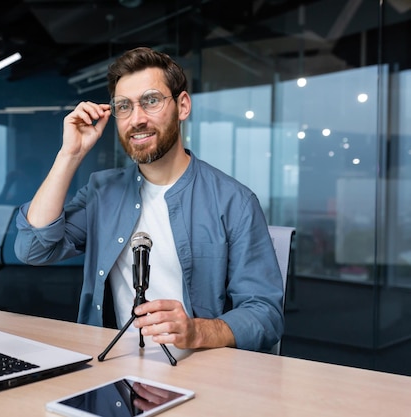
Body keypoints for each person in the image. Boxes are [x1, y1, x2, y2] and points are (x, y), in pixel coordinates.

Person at [14, 47, 284, 352]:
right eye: (124, 106)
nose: (137, 119)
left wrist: (197, 332)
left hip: (198, 369)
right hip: (111, 364)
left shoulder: (234, 201)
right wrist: (70, 155)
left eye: (151, 101)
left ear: (182, 106)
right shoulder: (103, 192)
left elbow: (266, 314)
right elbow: (33, 249)